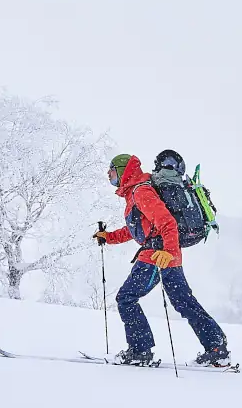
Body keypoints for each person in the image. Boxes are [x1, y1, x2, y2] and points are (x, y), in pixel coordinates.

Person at [93, 152, 230, 367]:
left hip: (157, 256)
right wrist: (109, 237)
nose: (109, 176)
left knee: (126, 298)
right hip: (165, 254)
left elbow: (167, 222)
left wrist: (168, 252)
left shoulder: (141, 191)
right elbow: (138, 229)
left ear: (122, 171)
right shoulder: (137, 192)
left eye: (111, 172)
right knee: (184, 302)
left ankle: (140, 351)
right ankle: (216, 347)